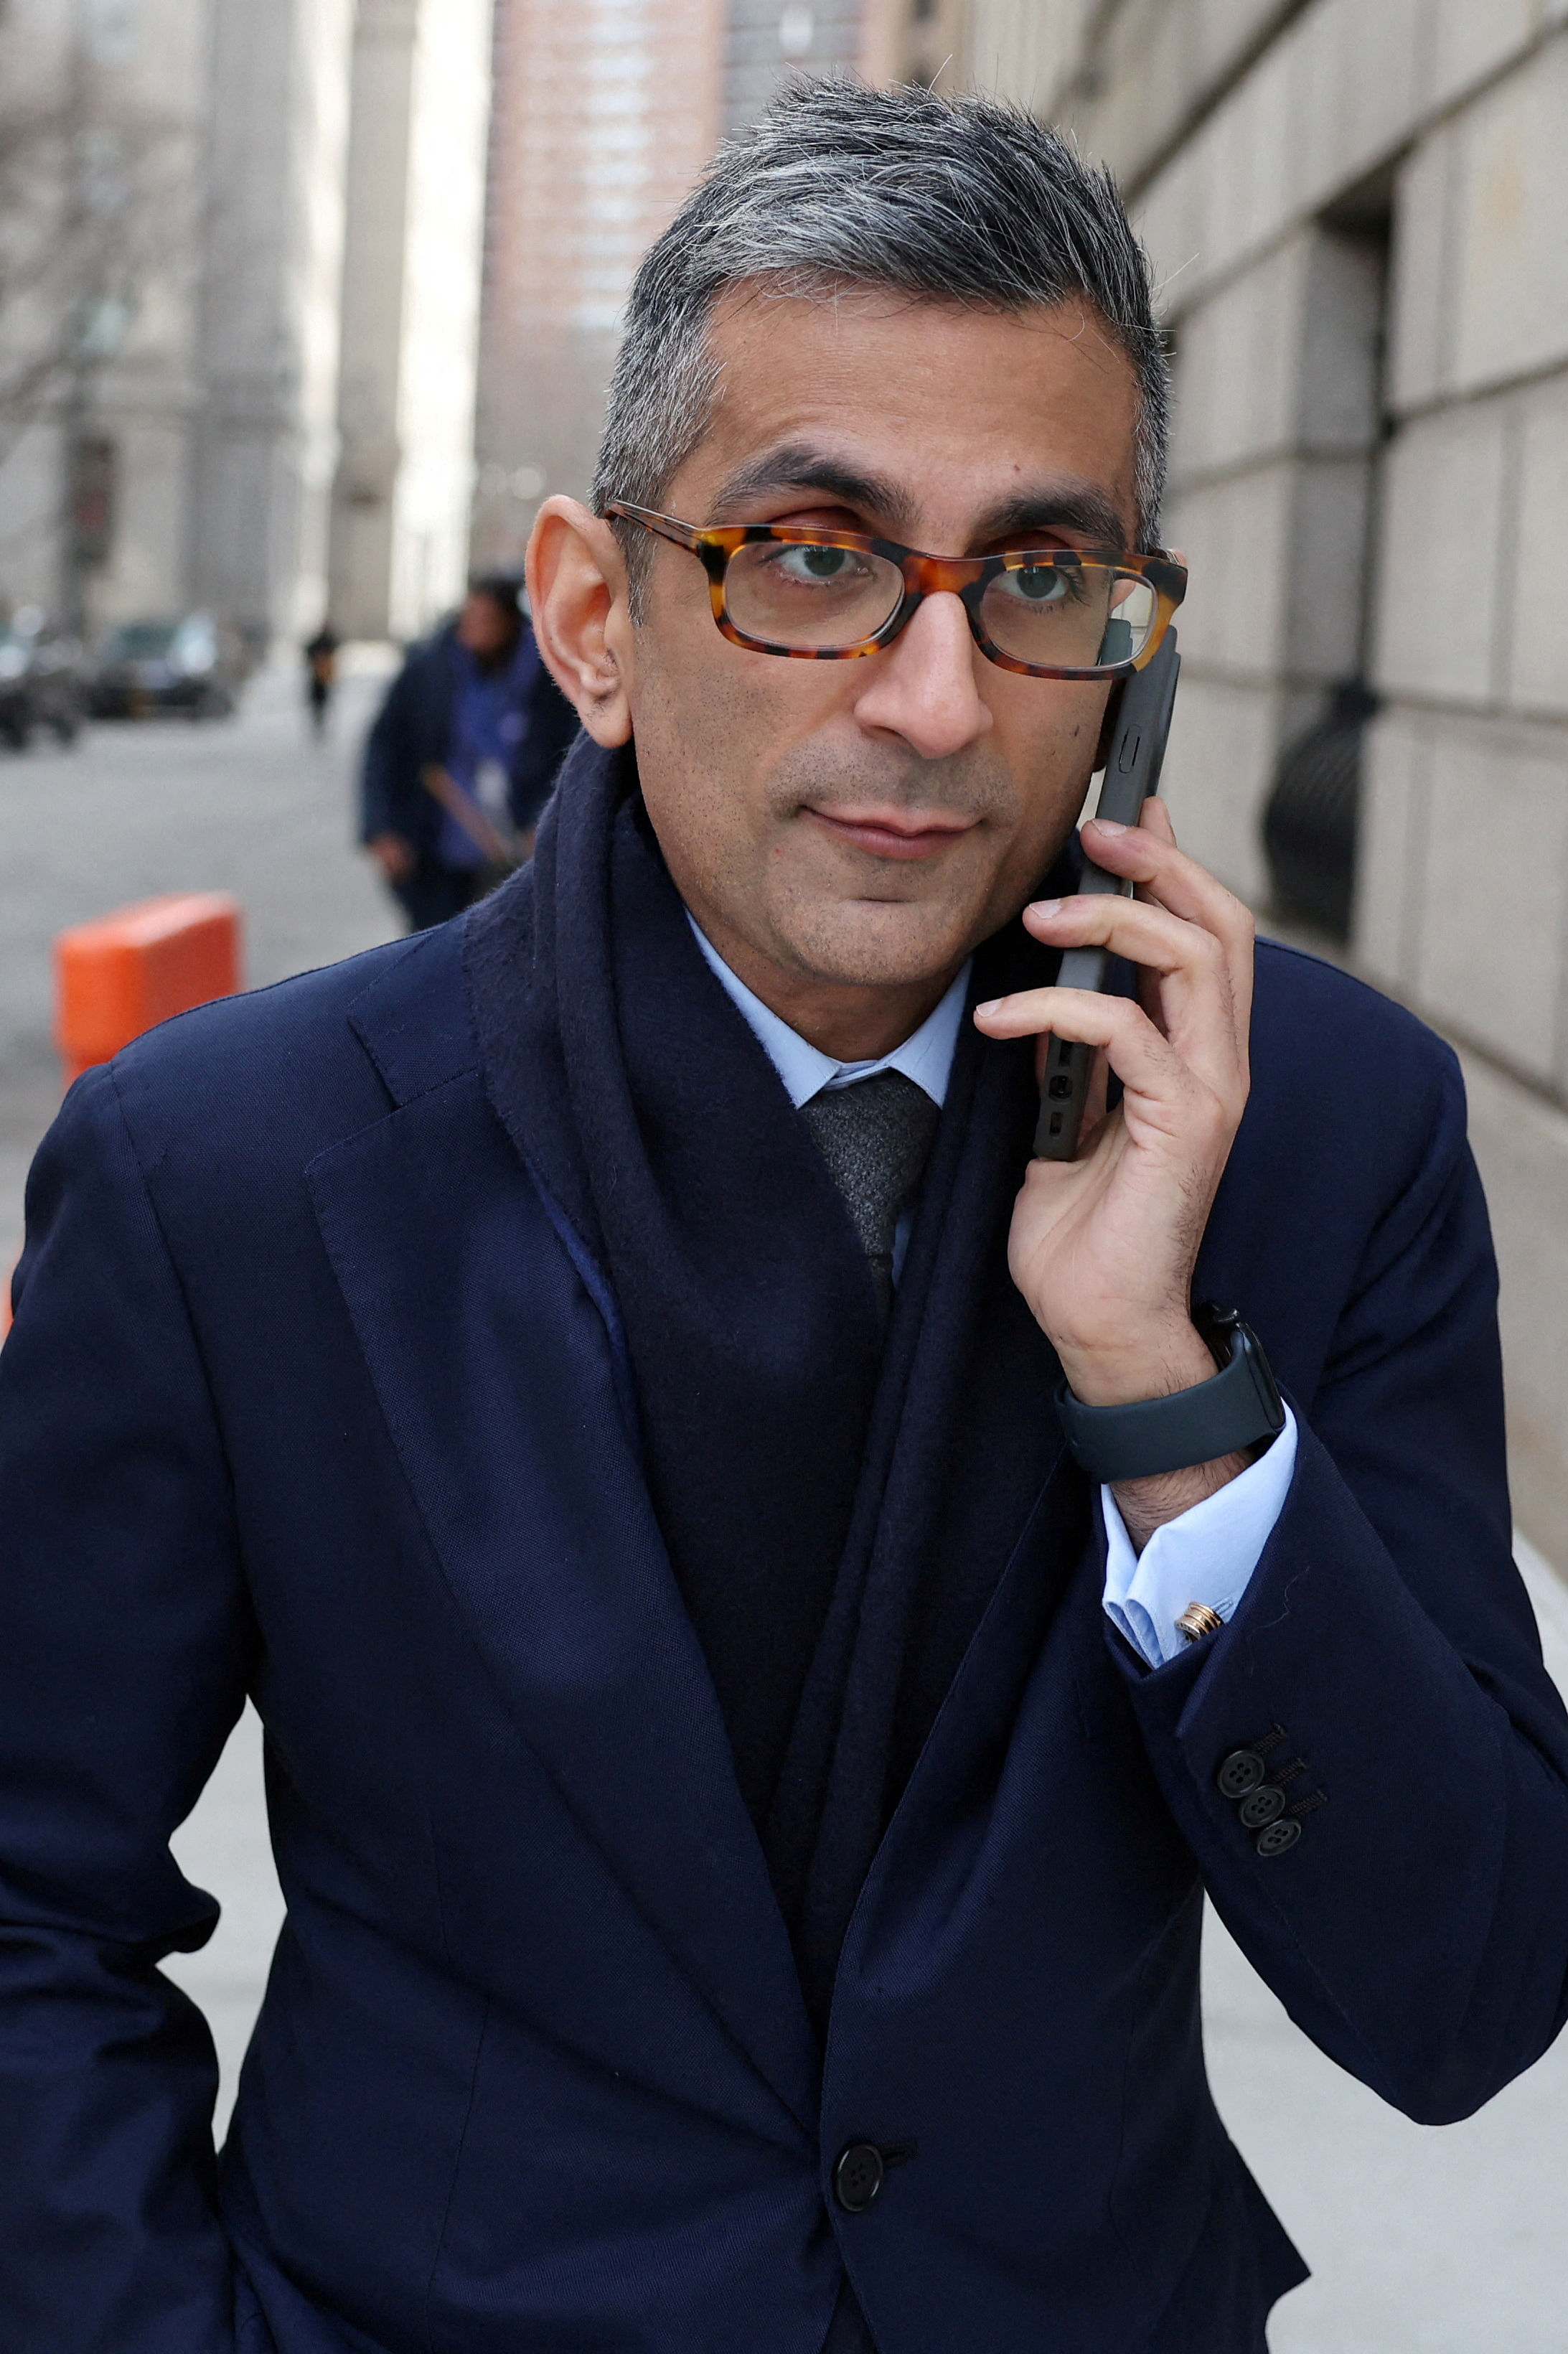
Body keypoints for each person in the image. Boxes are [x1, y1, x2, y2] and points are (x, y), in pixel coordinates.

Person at [2, 81, 1567, 2354]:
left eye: (1032, 580)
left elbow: (1463, 1991)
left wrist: (1162, 1395)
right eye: (811, 556)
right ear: (592, 617)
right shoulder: (226, 1165)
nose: (931, 704)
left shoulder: (1323, 1130)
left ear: (1126, 649)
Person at [360, 573, 579, 929]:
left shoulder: (549, 677)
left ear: (510, 623)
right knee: (435, 953)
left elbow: (569, 754)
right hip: (438, 848)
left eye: (487, 621)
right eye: (470, 618)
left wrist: (548, 820)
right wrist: (382, 828)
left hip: (517, 853)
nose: (474, 631)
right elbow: (385, 748)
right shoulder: (428, 672)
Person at [303, 622, 340, 739]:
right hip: (319, 676)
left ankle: (320, 723)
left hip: (323, 677)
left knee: (321, 702)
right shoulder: (321, 642)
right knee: (319, 702)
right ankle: (319, 723)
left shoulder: (327, 641)